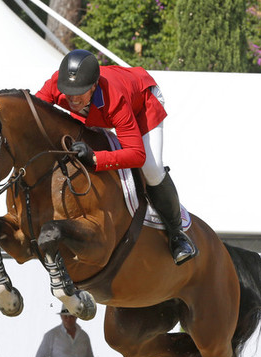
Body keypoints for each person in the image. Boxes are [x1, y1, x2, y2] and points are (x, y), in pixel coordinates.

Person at [35, 49, 197, 265]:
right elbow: (34, 115)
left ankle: (177, 234)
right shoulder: (57, 82)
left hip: (143, 103)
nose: (72, 98)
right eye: (68, 91)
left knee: (151, 167)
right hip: (98, 111)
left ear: (93, 87)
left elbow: (136, 154)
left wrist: (95, 159)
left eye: (79, 92)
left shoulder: (115, 99)